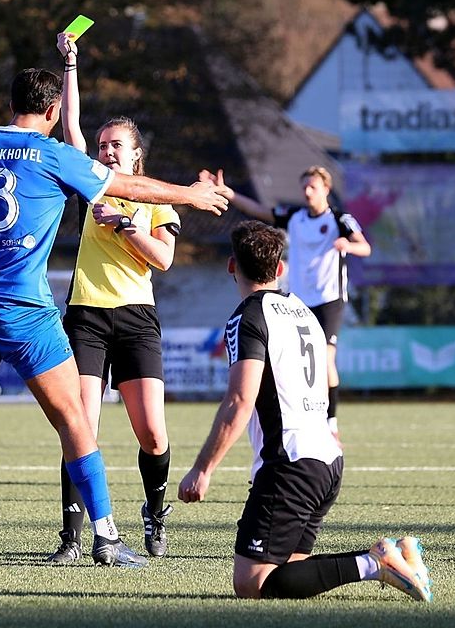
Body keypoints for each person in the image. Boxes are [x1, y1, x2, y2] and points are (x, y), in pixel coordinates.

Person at [0, 67, 230, 567]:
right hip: (23, 307)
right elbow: (130, 187)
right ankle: (105, 537)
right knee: (75, 420)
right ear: (53, 111)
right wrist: (190, 195)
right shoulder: (53, 155)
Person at [177, 220, 430, 602]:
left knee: (252, 584)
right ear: (280, 269)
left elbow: (239, 400)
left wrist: (202, 470)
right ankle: (401, 555)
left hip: (290, 464)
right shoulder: (303, 311)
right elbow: (328, 375)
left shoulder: (248, 316)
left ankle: (375, 562)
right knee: (289, 576)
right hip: (327, 461)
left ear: (232, 266)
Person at [43, 33, 177, 565]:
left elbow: (162, 259)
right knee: (80, 426)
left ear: (136, 154)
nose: (105, 151)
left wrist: (124, 225)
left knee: (152, 433)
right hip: (86, 316)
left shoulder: (154, 197)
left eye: (115, 145)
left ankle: (154, 510)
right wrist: (71, 62)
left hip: (137, 318)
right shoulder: (92, 183)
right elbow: (71, 126)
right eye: (101, 146)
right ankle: (71, 539)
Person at [199, 166, 370, 440]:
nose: (307, 192)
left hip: (328, 298)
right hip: (300, 299)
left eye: (312, 187)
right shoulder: (295, 217)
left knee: (325, 360)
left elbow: (365, 246)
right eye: (304, 187)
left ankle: (331, 424)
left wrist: (347, 246)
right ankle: (300, 415)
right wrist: (229, 193)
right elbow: (261, 212)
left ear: (326, 189)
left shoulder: (340, 219)